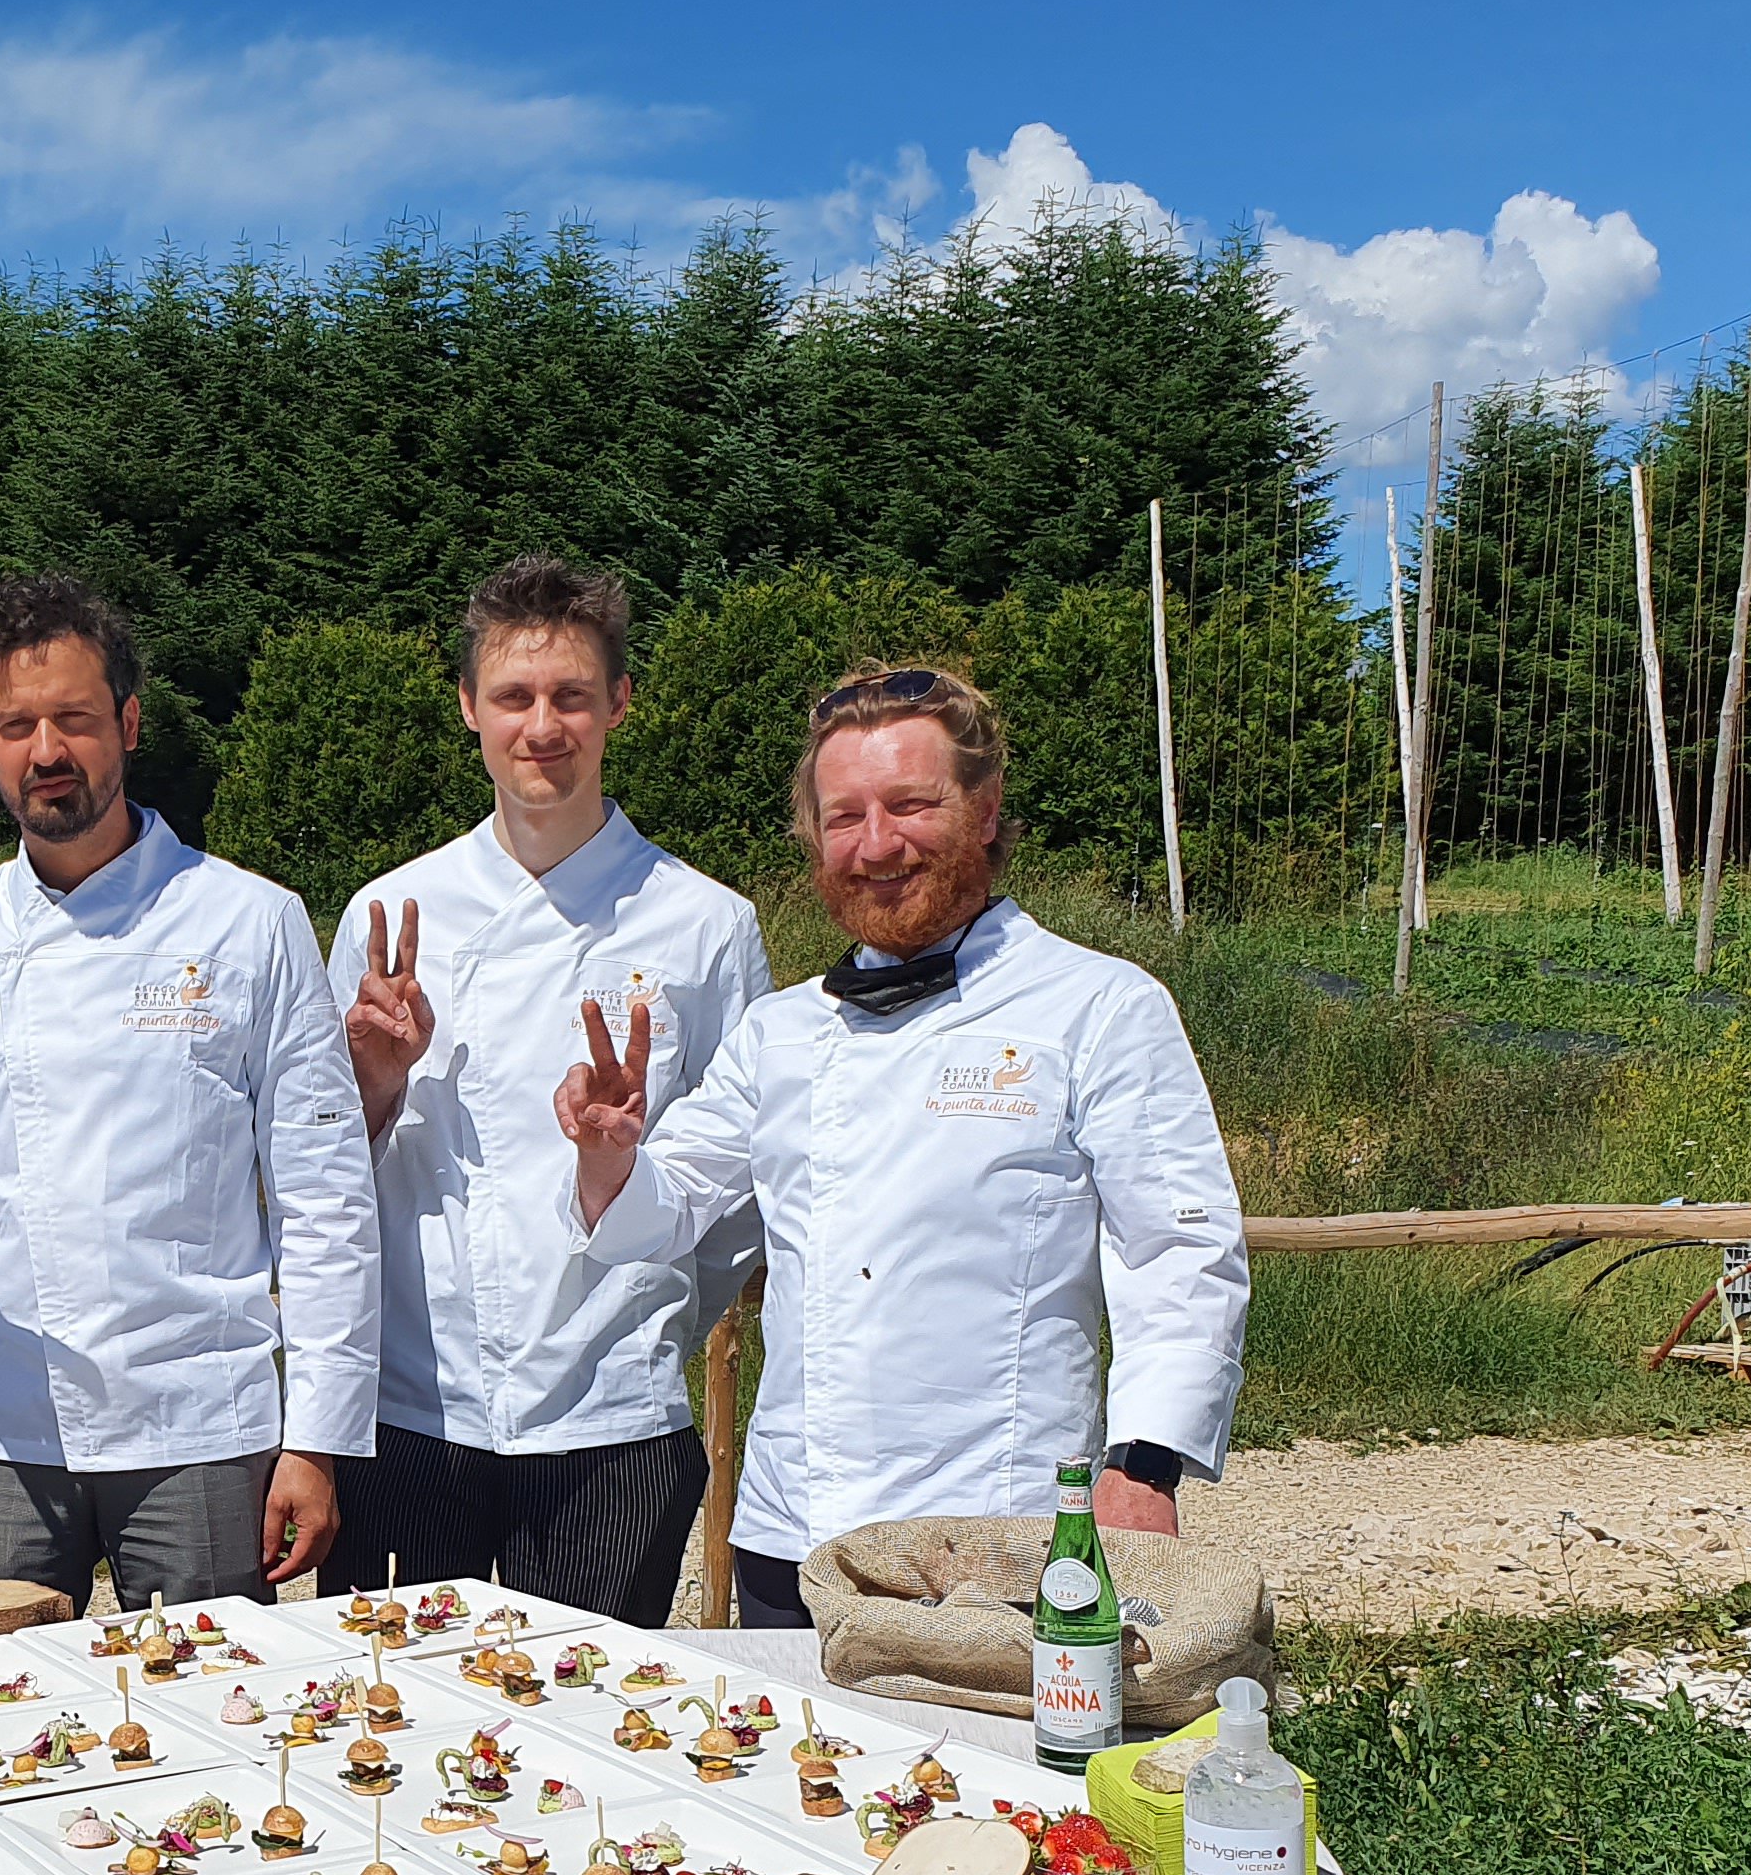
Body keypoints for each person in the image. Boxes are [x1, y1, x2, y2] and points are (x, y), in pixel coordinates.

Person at [556, 661, 1246, 1627]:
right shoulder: (779, 1032)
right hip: (793, 1539)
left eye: (910, 805)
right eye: (844, 817)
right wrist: (608, 1156)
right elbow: (661, 1212)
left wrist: (1143, 1466)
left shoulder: (1100, 1006)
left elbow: (1180, 1253)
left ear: (988, 808)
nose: (876, 845)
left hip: (1000, 1541)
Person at [0, 573, 379, 1608]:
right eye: (15, 725)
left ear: (130, 723)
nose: (46, 751)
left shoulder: (253, 924)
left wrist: (319, 1441)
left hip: (201, 1424)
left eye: (72, 719)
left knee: (215, 1727)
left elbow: (325, 1202)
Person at [326, 555, 769, 1624]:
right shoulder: (390, 913)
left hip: (612, 1421)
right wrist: (376, 1083)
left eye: (572, 696)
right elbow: (322, 1174)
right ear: (469, 707)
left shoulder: (708, 927)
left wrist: (649, 1324)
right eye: (515, 698)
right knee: (396, 1721)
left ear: (618, 704)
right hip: (409, 1411)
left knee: (584, 1740)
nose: (543, 726)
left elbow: (740, 1192)